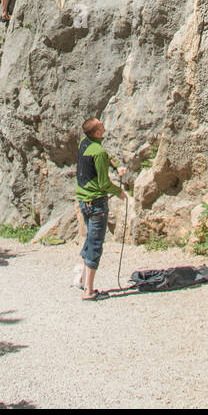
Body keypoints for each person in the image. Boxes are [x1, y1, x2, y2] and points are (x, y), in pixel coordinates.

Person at [74, 117, 126, 301]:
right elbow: (104, 183)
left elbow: (104, 157)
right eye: (100, 124)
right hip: (96, 203)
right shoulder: (99, 152)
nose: (104, 123)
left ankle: (81, 279)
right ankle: (89, 291)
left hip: (83, 200)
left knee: (90, 238)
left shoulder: (85, 143)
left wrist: (115, 166)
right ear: (97, 132)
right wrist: (119, 192)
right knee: (95, 243)